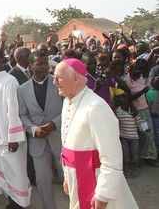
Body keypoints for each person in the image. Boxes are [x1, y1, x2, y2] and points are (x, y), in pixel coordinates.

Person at [55, 58, 138, 209]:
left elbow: (112, 157)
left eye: (58, 78)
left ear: (75, 78)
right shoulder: (68, 101)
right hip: (76, 176)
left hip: (96, 179)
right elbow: (67, 143)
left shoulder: (96, 107)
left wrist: (103, 193)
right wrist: (68, 176)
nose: (54, 82)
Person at [0, 48, 31, 209]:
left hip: (10, 138)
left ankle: (20, 204)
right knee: (5, 172)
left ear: (0, 61)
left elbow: (13, 110)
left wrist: (14, 138)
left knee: (16, 173)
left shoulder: (9, 81)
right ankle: (12, 201)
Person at [17, 51, 64, 209]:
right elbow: (22, 115)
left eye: (46, 63)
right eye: (40, 64)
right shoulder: (22, 89)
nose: (44, 67)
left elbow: (68, 108)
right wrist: (33, 129)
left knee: (69, 177)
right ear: (31, 66)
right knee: (42, 181)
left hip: (60, 139)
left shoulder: (58, 83)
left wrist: (53, 124)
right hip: (38, 144)